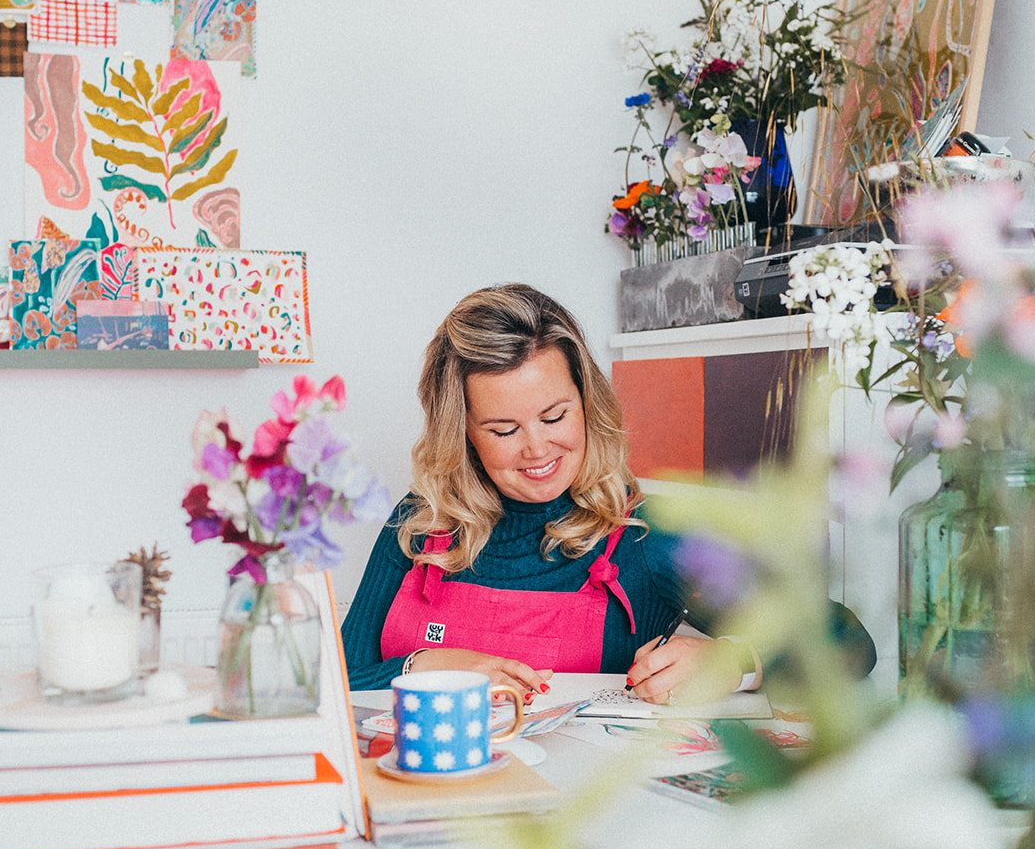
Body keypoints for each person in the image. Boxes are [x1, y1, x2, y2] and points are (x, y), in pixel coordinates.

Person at [342, 283, 874, 700]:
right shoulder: (420, 525)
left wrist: (730, 662)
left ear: (586, 403)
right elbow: (335, 681)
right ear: (462, 433)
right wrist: (427, 665)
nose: (537, 449)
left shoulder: (642, 535)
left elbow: (845, 643)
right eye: (504, 430)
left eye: (555, 416)